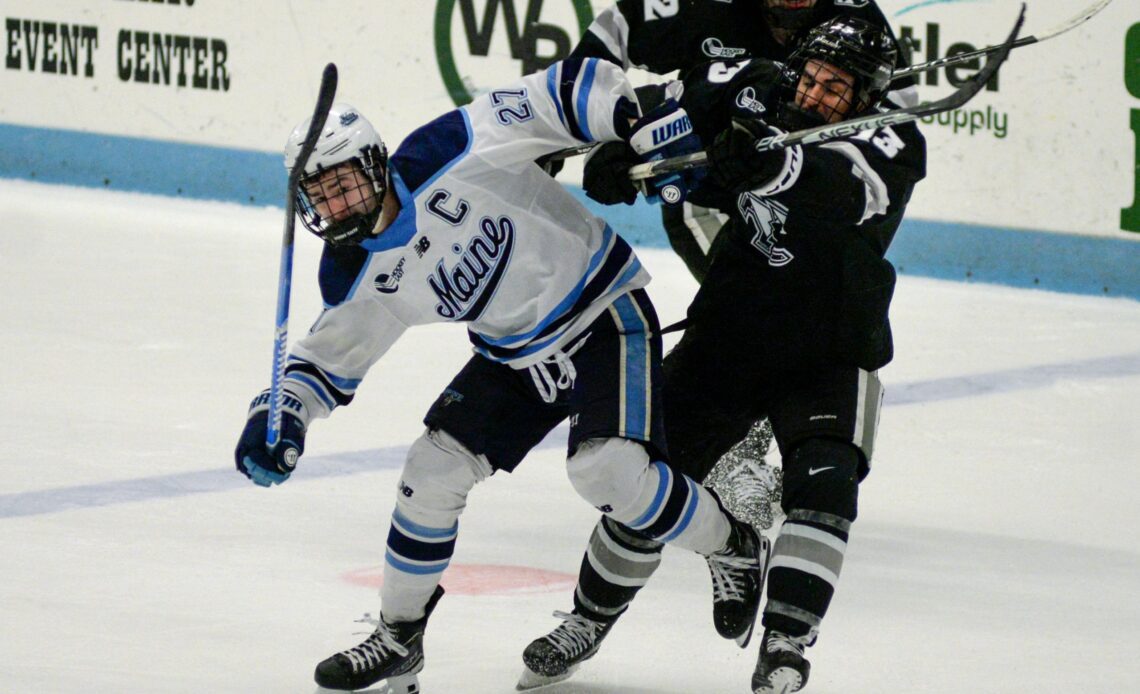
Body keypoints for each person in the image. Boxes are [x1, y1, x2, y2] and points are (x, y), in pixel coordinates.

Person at [233, 56, 770, 693]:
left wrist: (629, 118)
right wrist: (279, 414)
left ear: (375, 163)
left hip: (600, 311)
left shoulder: (448, 150)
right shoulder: (351, 272)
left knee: (605, 470)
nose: (334, 203)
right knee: (430, 471)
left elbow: (555, 94)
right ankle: (398, 637)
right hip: (514, 356)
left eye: (343, 182)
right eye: (319, 194)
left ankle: (732, 544)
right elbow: (324, 363)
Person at [521, 17, 926, 694]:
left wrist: (773, 163)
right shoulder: (759, 87)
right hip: (732, 327)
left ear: (867, 96)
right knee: (648, 479)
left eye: (838, 89)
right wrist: (627, 152)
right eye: (814, 78)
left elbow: (844, 194)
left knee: (824, 486)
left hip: (831, 343)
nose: (819, 96)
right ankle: (588, 619)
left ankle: (785, 647)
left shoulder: (893, 139)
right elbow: (665, 109)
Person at [569, 0, 914, 535]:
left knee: (794, 294)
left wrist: (802, 179)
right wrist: (608, 140)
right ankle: (735, 451)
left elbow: (884, 155)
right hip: (713, 185)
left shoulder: (858, 19)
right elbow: (617, 37)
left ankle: (756, 449)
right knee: (743, 304)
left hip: (818, 187)